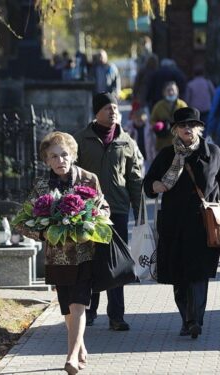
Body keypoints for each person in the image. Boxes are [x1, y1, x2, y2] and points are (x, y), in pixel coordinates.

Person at [14, 132, 107, 374]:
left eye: (64, 155)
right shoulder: (41, 186)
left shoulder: (89, 179)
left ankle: (71, 356)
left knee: (78, 304)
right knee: (66, 307)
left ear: (73, 155)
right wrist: (43, 234)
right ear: (46, 160)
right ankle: (81, 347)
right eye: (53, 156)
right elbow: (21, 222)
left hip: (84, 253)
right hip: (56, 256)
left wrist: (94, 219)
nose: (60, 160)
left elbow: (104, 208)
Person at [143, 107, 220, 339]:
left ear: (199, 128)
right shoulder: (166, 155)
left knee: (199, 274)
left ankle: (195, 320)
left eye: (191, 125)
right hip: (173, 225)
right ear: (175, 129)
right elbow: (148, 184)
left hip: (203, 225)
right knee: (178, 276)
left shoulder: (213, 153)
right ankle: (186, 318)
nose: (187, 128)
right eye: (182, 125)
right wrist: (156, 186)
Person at [74, 92, 144, 331]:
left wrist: (139, 210)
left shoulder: (127, 142)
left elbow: (135, 178)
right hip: (88, 211)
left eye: (115, 108)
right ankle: (90, 311)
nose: (113, 112)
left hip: (118, 210)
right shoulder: (81, 140)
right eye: (107, 108)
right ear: (96, 113)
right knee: (91, 260)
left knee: (117, 263)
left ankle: (116, 315)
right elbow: (72, 176)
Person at [150, 81, 187, 151]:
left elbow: (188, 121)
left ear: (177, 91)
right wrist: (158, 126)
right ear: (164, 92)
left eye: (173, 90)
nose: (171, 92)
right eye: (168, 90)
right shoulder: (158, 106)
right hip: (163, 144)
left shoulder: (182, 105)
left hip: (180, 144)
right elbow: (152, 121)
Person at [124, 106, 156, 171]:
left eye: (141, 120)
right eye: (137, 120)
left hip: (147, 155)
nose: (139, 122)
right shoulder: (129, 127)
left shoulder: (149, 128)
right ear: (133, 119)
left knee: (147, 172)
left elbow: (154, 142)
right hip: (134, 156)